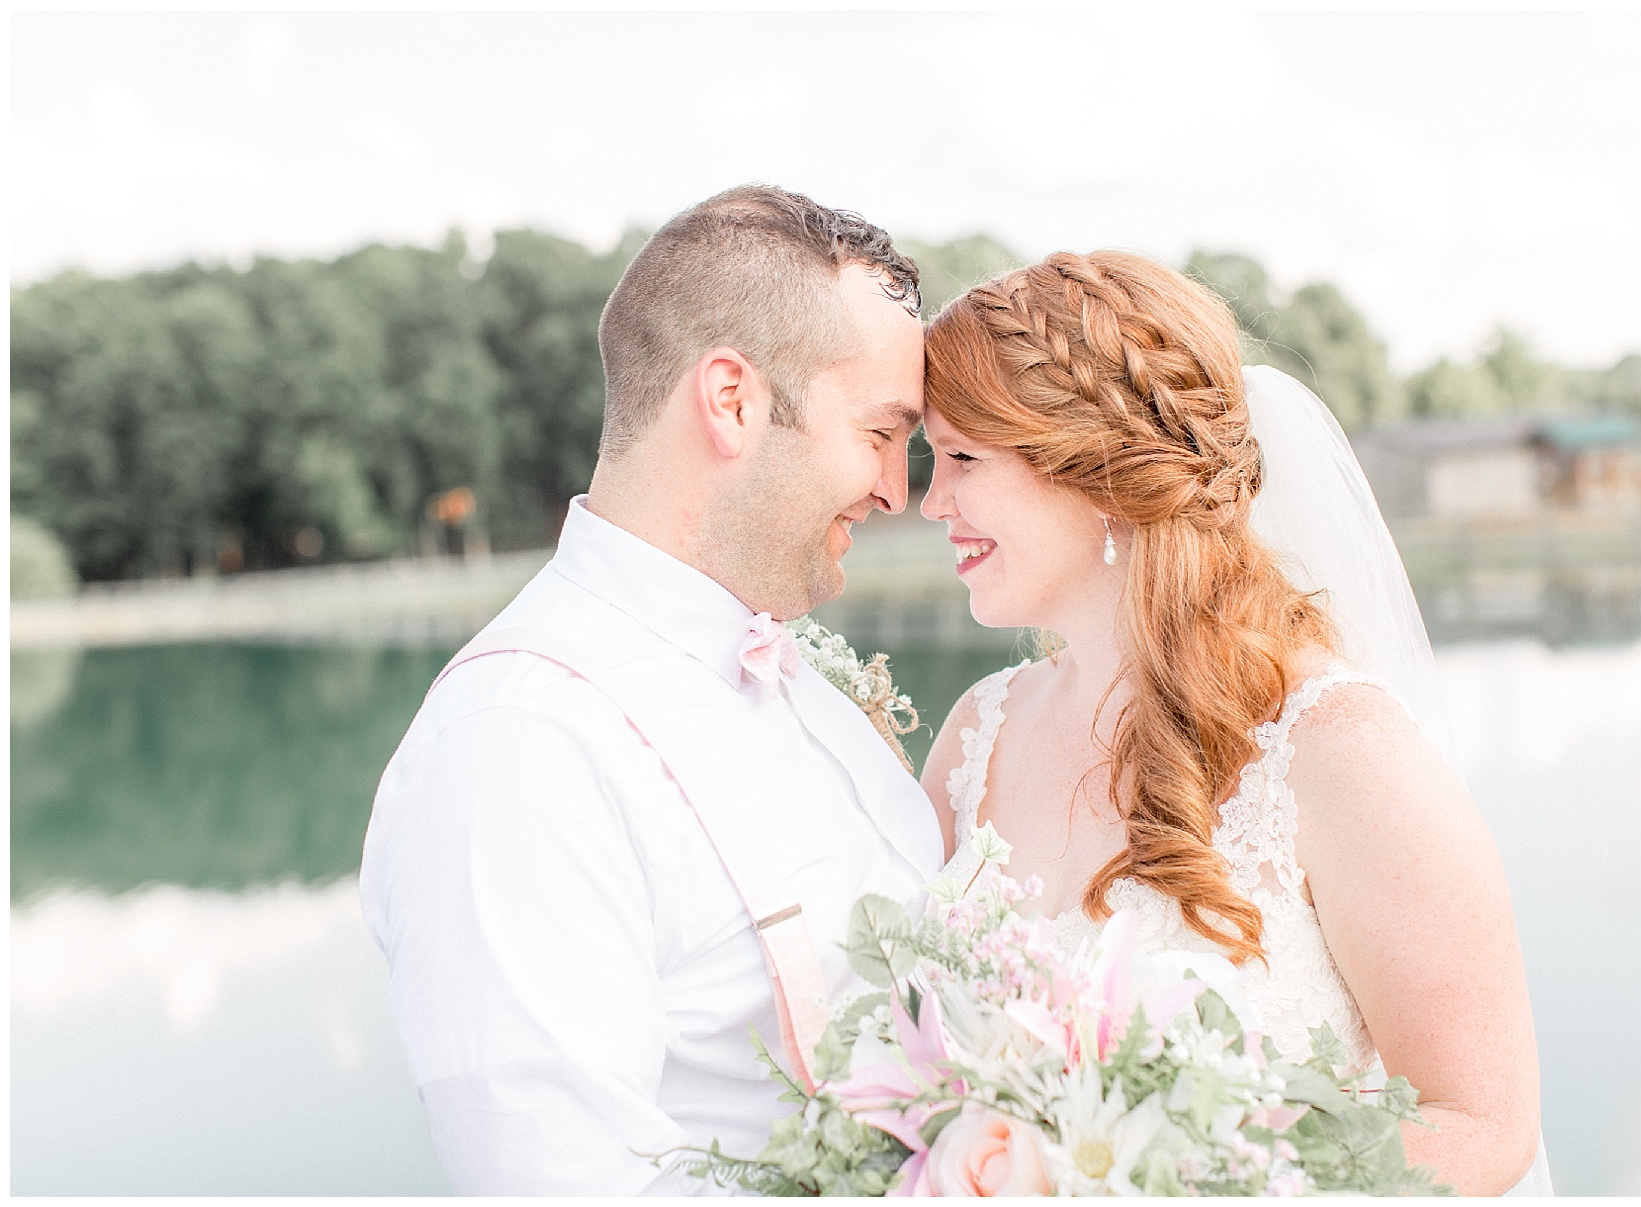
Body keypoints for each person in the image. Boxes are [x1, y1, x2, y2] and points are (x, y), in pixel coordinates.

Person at [917, 250, 1553, 1195]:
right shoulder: (977, 734)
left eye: (963, 458)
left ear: (1097, 471)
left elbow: (1482, 1122)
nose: (933, 502)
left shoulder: (1339, 750)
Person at [360, 185, 944, 1193]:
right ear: (731, 400)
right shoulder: (518, 742)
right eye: (882, 432)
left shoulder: (806, 679)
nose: (899, 488)